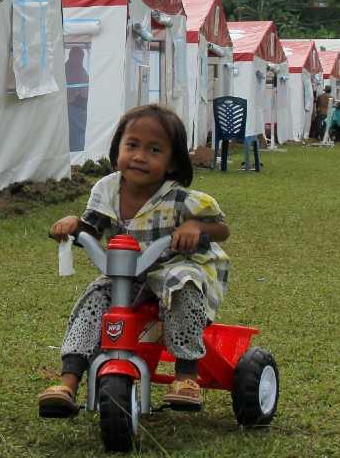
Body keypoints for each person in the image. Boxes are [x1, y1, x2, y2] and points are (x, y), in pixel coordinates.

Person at [38, 105, 231, 415]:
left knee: (182, 284)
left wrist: (195, 227)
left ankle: (185, 376)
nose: (140, 156)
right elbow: (91, 227)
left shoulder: (179, 197)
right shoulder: (108, 189)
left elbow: (222, 229)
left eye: (154, 150)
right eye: (132, 146)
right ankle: (68, 381)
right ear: (118, 149)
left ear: (172, 163)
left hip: (171, 266)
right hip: (125, 274)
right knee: (93, 299)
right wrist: (74, 224)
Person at [65, 46, 90, 152]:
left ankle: (78, 152)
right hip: (71, 107)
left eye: (82, 57)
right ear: (71, 57)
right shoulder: (65, 69)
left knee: (80, 133)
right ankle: (75, 153)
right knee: (75, 133)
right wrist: (73, 94)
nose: (80, 60)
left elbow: (85, 84)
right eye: (78, 57)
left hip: (81, 107)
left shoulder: (81, 69)